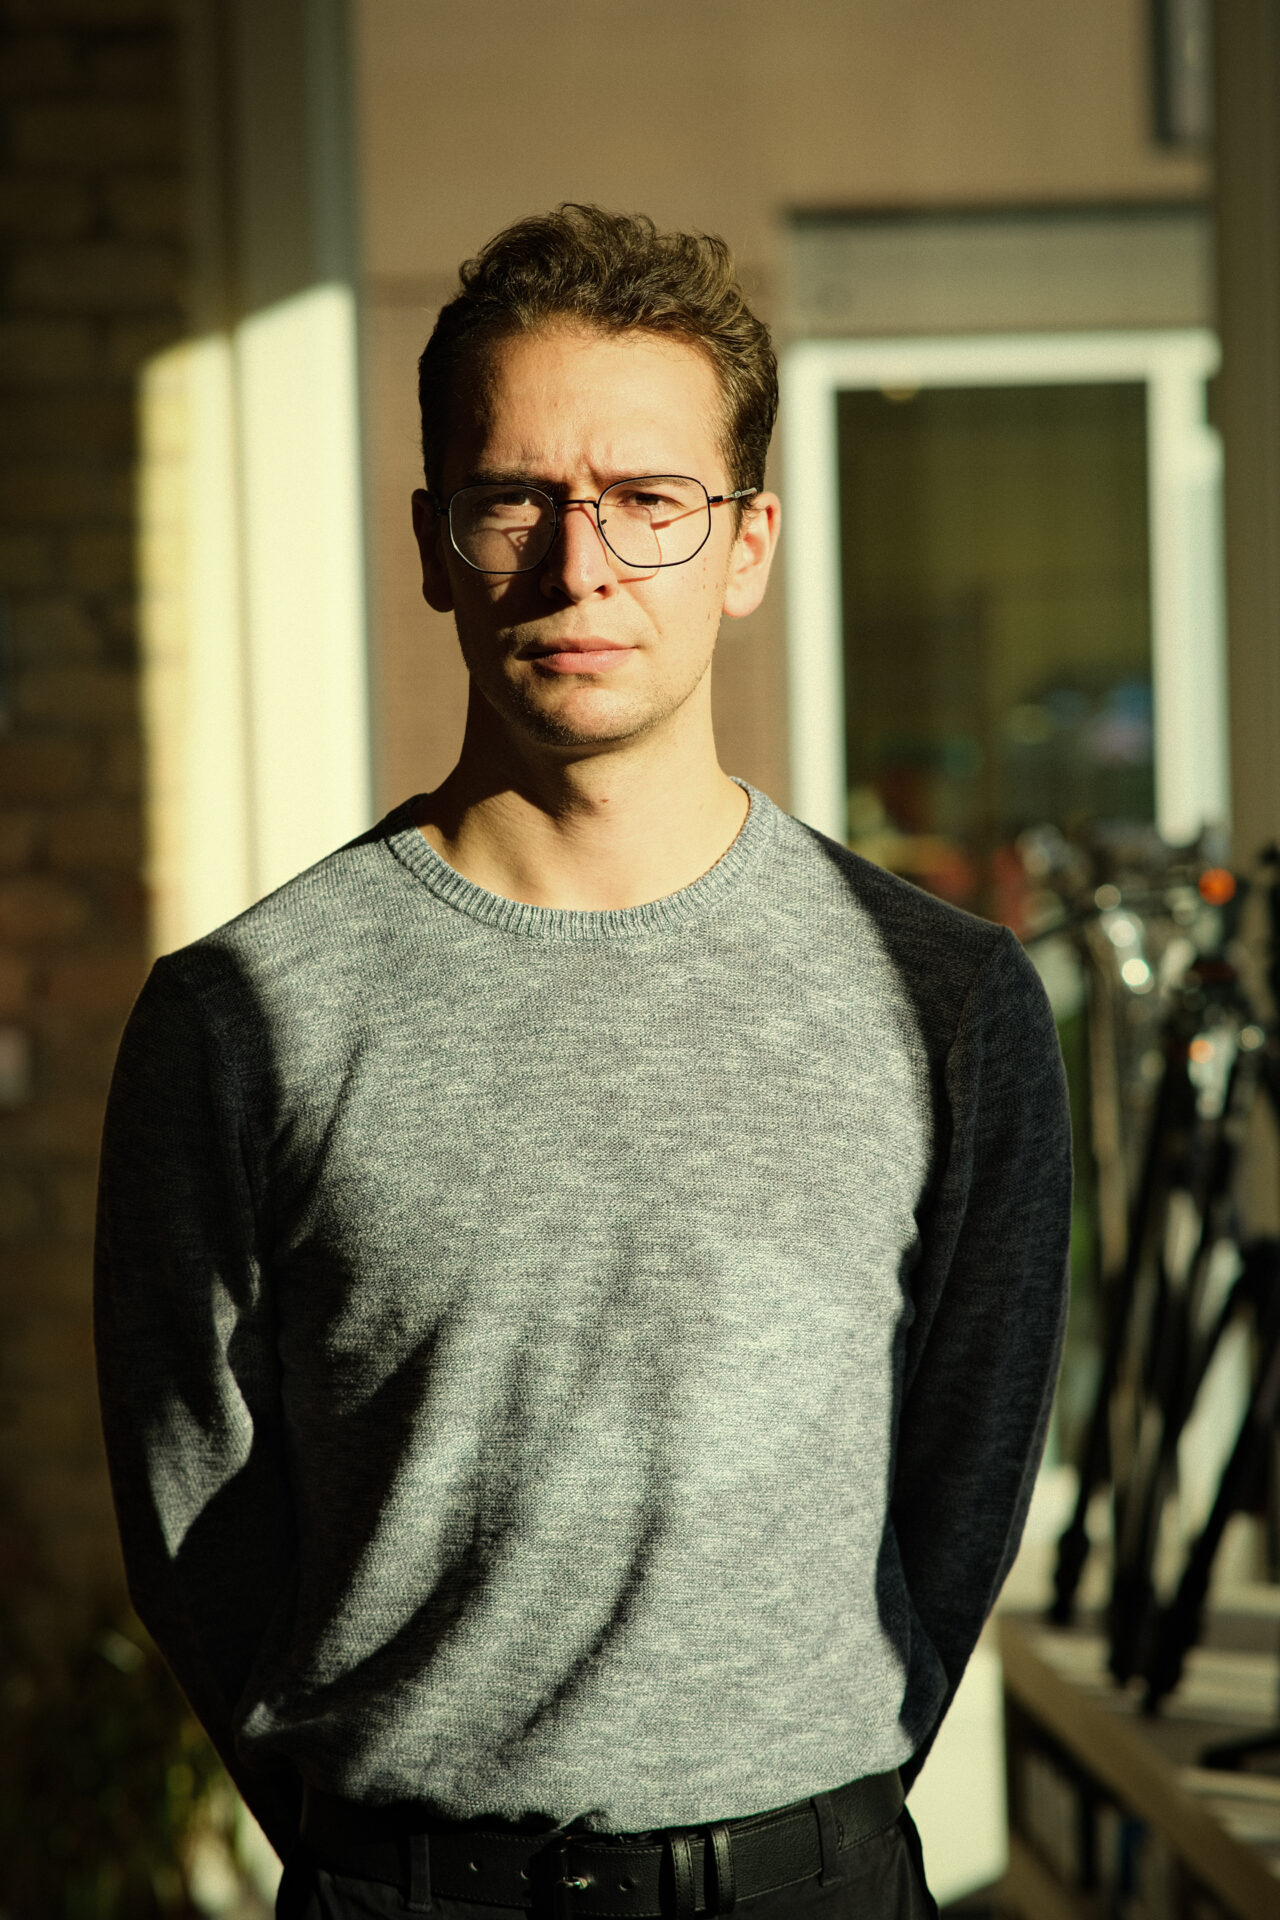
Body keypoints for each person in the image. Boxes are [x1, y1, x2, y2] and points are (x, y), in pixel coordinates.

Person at [95, 205, 1072, 1920]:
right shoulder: (246, 1014)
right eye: (514, 499)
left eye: (649, 502)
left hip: (815, 1881)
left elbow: (962, 1491)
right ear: (431, 540)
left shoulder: (950, 1002)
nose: (579, 564)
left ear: (748, 544)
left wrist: (789, 1822)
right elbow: (198, 1530)